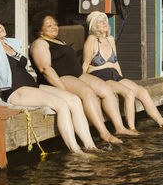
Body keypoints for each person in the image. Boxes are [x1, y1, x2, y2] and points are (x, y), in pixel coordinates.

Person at [0, 15, 97, 154]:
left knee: (74, 100)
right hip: (16, 90)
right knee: (60, 104)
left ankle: (91, 146)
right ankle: (76, 151)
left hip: (32, 85)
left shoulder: (9, 44)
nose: (0, 26)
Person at [30, 11, 138, 144]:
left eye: (55, 24)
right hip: (62, 77)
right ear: (39, 30)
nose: (54, 27)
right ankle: (104, 133)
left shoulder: (58, 40)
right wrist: (61, 89)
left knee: (106, 90)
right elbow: (45, 69)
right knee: (88, 93)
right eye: (49, 25)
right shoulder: (40, 43)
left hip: (78, 75)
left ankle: (120, 128)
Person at [83, 11, 163, 130]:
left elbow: (115, 62)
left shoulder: (110, 39)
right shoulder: (92, 40)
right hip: (100, 76)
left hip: (114, 75)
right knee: (129, 94)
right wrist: (83, 85)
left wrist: (121, 79)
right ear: (94, 26)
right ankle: (132, 129)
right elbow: (85, 64)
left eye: (104, 20)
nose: (104, 22)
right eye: (99, 21)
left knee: (142, 91)